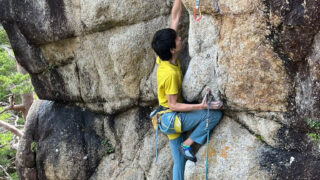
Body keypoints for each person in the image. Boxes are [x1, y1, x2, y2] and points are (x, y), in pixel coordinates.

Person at [151, 0, 223, 179]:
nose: (180, 38)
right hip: (171, 116)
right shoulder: (170, 75)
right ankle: (188, 144)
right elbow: (173, 105)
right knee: (213, 115)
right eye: (176, 39)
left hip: (167, 119)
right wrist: (201, 106)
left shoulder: (163, 56)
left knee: (179, 163)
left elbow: (174, 19)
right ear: (172, 49)